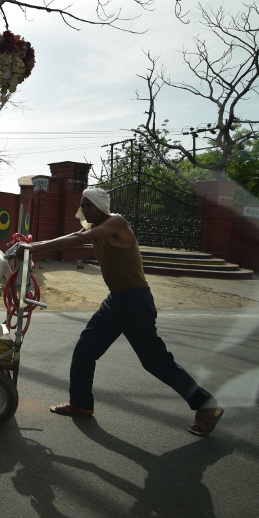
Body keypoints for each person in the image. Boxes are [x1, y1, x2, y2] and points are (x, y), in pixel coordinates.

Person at [18, 187, 223, 436]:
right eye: (82, 205)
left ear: (100, 207)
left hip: (135, 301)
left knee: (155, 362)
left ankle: (206, 405)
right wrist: (27, 245)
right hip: (116, 300)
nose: (83, 209)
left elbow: (78, 240)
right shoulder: (92, 227)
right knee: (85, 349)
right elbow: (74, 234)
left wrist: (33, 250)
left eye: (88, 205)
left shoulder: (116, 222)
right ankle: (81, 403)